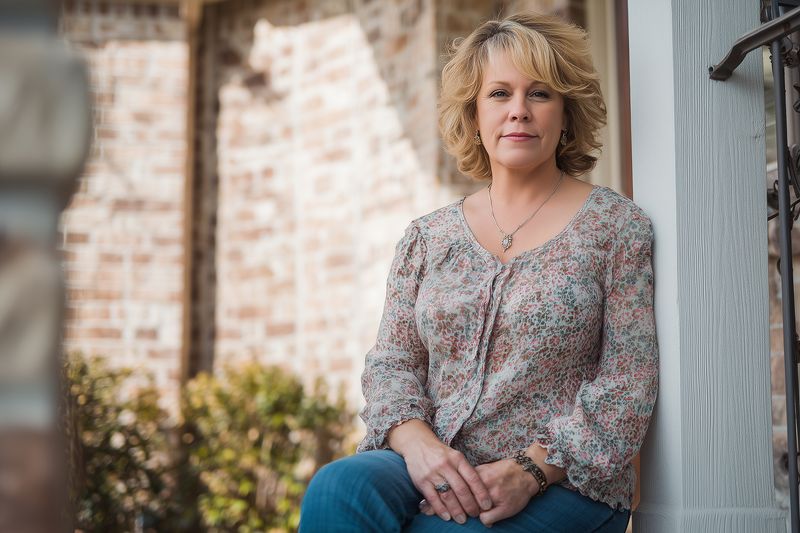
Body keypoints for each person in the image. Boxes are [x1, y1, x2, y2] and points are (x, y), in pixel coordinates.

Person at [299, 11, 658, 533]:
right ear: (474, 112)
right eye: (499, 94)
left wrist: (530, 470)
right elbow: (392, 364)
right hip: (437, 461)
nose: (519, 111)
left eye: (540, 94)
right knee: (339, 488)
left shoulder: (615, 226)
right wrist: (419, 446)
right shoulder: (427, 239)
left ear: (566, 113)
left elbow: (629, 381)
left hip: (563, 482)